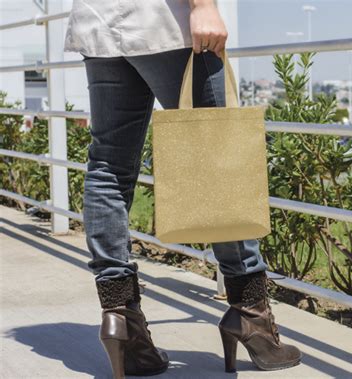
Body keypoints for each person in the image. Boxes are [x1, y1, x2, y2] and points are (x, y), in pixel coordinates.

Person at [64, 0, 302, 376]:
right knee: (217, 157)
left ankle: (122, 318)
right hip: (166, 22)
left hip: (100, 21)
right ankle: (251, 314)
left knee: (108, 166)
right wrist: (203, 5)